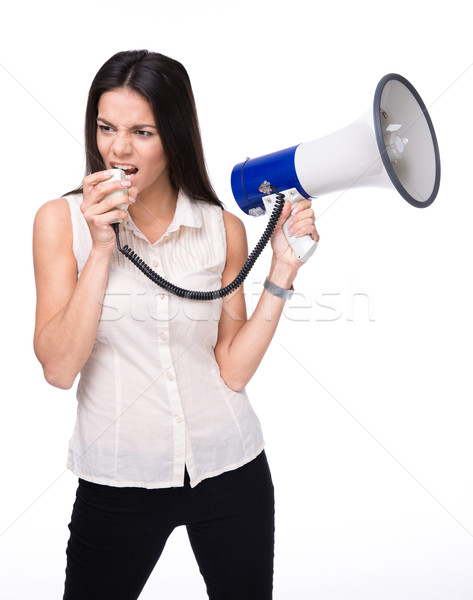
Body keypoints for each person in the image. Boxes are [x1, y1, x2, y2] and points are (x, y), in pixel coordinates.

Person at [32, 49, 319, 600]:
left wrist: (283, 267)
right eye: (106, 127)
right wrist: (99, 249)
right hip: (119, 479)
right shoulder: (58, 221)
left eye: (142, 131)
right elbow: (58, 369)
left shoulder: (222, 229)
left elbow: (232, 371)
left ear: (176, 135)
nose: (118, 148)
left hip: (230, 468)